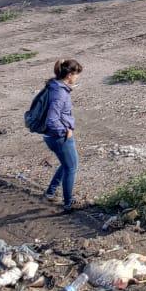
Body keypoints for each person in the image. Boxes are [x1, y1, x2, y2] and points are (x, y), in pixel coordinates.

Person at [41, 58, 83, 210]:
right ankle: (68, 202)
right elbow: (52, 119)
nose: (77, 77)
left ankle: (50, 193)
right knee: (71, 167)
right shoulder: (60, 92)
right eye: (76, 74)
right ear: (70, 74)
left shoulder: (53, 86)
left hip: (49, 136)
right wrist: (65, 131)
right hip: (59, 137)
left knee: (66, 164)